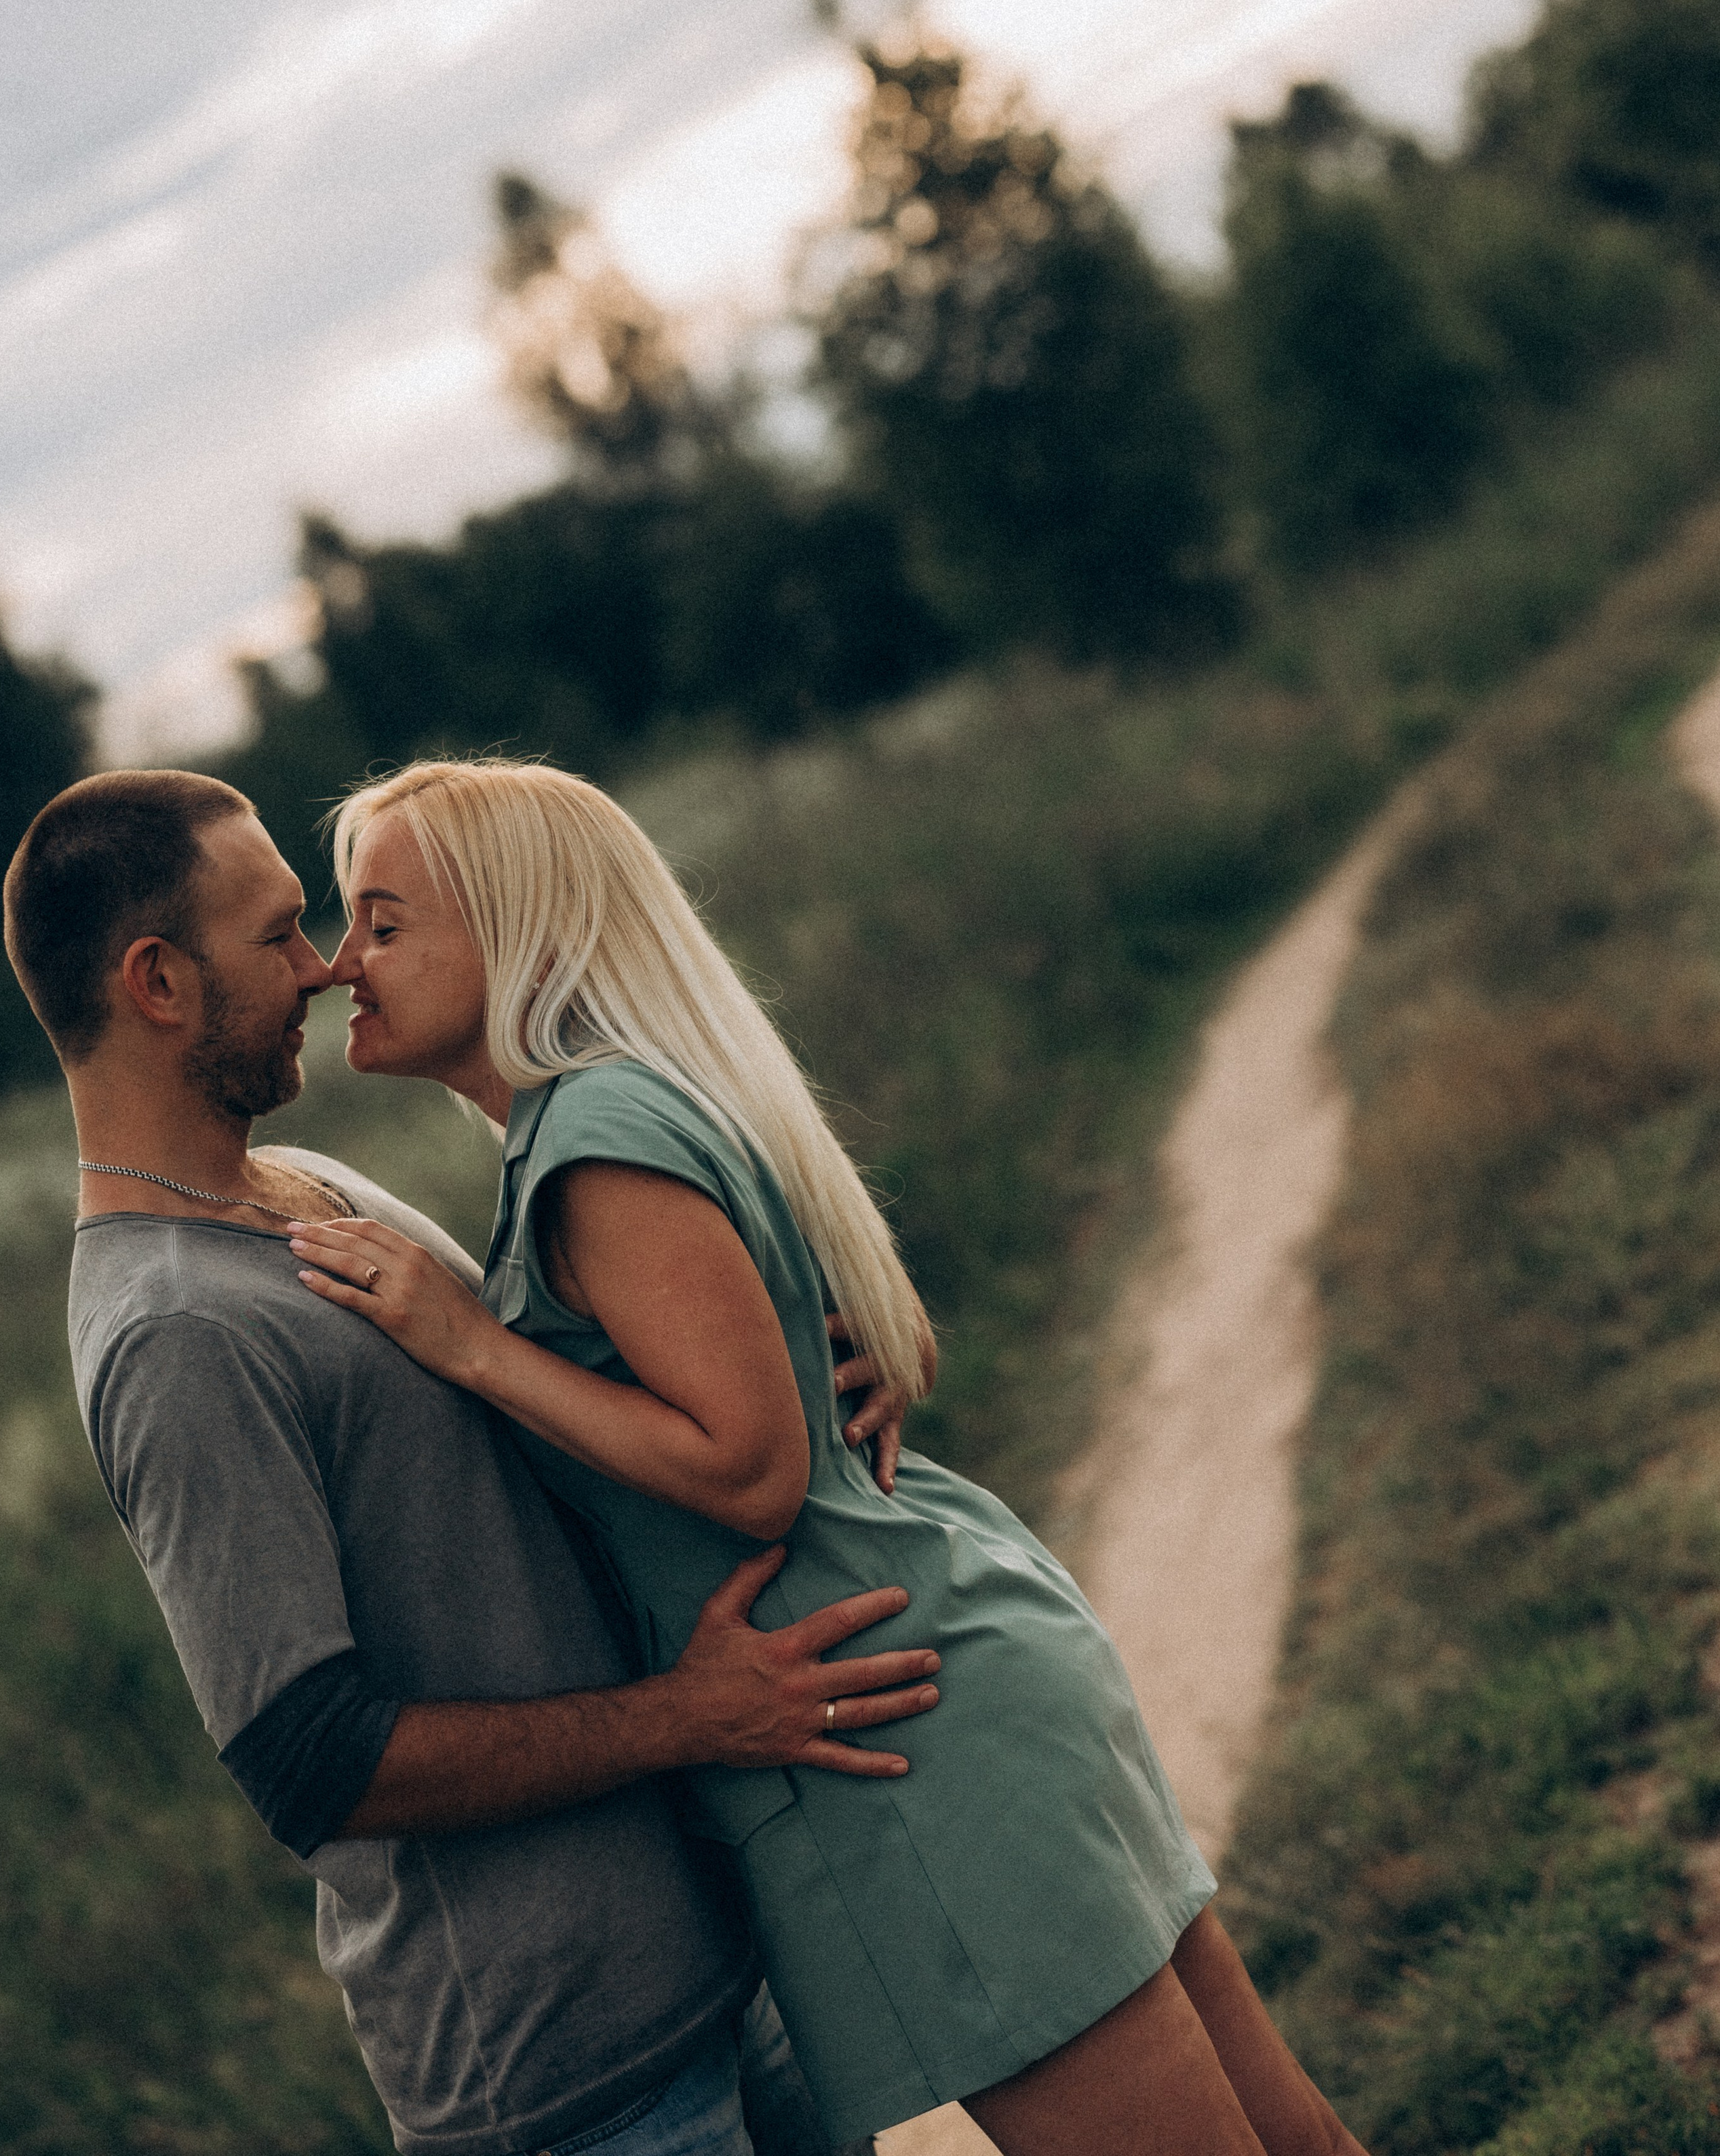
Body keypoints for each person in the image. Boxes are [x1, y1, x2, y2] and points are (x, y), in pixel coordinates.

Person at [286, 757, 1369, 2156]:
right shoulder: (628, 1103)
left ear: (521, 936)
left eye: (380, 922)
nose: (334, 966)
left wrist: (473, 1345)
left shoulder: (593, 1141)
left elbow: (750, 1473)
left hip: (907, 1742)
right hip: (954, 1676)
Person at [2, 769, 945, 2156]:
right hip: (560, 2076)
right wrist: (689, 1717)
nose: (323, 967)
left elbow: (537, 1435)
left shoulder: (311, 1188)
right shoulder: (172, 1333)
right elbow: (311, 1760)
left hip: (703, 1973)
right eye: (275, 937)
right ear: (156, 981)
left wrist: (790, 1370)